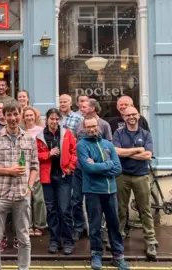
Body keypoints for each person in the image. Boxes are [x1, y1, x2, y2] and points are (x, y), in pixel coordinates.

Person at [0, 100, 37, 270]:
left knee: (24, 238)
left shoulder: (29, 139)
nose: (12, 118)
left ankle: (23, 268)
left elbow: (34, 166)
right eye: (9, 115)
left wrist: (29, 187)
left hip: (22, 195)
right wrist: (9, 171)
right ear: (4, 117)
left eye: (15, 114)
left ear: (20, 115)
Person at [77, 116, 129, 270]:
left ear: (98, 126)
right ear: (84, 129)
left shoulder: (108, 144)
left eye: (94, 126)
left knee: (114, 224)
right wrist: (108, 165)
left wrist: (99, 165)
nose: (92, 129)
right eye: (89, 127)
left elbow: (118, 168)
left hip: (110, 190)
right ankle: (96, 254)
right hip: (92, 191)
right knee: (95, 225)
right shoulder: (82, 145)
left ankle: (118, 256)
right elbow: (88, 169)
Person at [113, 106, 157, 259]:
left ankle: (150, 240)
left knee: (145, 210)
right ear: (123, 117)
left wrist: (127, 153)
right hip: (122, 176)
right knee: (121, 209)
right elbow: (116, 152)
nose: (131, 117)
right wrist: (138, 149)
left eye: (134, 114)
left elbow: (147, 155)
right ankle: (117, 238)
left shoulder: (146, 134)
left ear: (138, 115)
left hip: (141, 175)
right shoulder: (118, 133)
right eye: (127, 115)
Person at [36, 108, 77, 255]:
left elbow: (74, 152)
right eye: (51, 119)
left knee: (65, 210)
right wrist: (48, 154)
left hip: (64, 177)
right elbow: (34, 155)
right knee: (51, 210)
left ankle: (68, 241)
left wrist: (70, 167)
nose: (54, 122)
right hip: (47, 178)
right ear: (46, 119)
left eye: (56, 119)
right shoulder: (40, 135)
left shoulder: (67, 133)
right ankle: (54, 241)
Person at [72, 98, 112, 242]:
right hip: (79, 170)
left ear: (94, 108)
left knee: (97, 203)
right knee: (76, 200)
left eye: (85, 106)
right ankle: (78, 227)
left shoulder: (104, 125)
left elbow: (108, 148)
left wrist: (98, 164)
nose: (81, 107)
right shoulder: (79, 124)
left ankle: (100, 230)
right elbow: (74, 144)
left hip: (96, 172)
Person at [22, 107, 46, 237]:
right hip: (24, 168)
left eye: (31, 115)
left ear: (35, 116)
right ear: (23, 117)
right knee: (26, 199)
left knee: (38, 198)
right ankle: (28, 225)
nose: (29, 118)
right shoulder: (21, 131)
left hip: (37, 168)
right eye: (27, 115)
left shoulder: (41, 131)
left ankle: (40, 225)